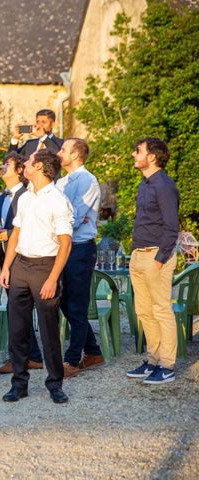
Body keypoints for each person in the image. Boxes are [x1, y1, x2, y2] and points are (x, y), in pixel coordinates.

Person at [0, 149, 73, 404]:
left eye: (29, 161)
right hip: (20, 265)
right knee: (17, 328)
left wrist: (53, 278)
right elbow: (15, 235)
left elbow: (65, 244)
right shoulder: (25, 196)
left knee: (48, 328)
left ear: (40, 166)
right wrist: (6, 267)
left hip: (45, 267)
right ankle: (19, 384)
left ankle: (55, 384)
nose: (25, 163)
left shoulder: (58, 200)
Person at [126, 137, 179, 385]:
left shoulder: (164, 186)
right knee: (144, 312)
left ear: (152, 157)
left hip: (157, 255)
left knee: (161, 311)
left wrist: (159, 259)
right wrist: (134, 254)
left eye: (139, 151)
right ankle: (153, 360)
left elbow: (171, 227)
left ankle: (167, 366)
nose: (134, 155)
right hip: (139, 254)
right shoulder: (144, 184)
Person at [0, 153, 44, 375]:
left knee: (19, 311)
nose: (3, 167)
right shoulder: (3, 198)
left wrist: (9, 234)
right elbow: (2, 228)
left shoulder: (28, 195)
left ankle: (21, 358)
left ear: (20, 170)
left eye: (7, 165)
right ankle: (32, 356)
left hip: (25, 260)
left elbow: (33, 227)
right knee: (17, 312)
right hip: (7, 260)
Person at [56, 138, 104, 377]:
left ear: (75, 155)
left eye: (63, 149)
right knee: (63, 301)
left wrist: (66, 220)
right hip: (63, 247)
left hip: (80, 249)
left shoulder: (87, 180)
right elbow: (58, 215)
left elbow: (72, 218)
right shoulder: (62, 181)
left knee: (76, 304)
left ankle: (73, 360)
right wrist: (64, 220)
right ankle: (93, 351)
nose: (59, 152)